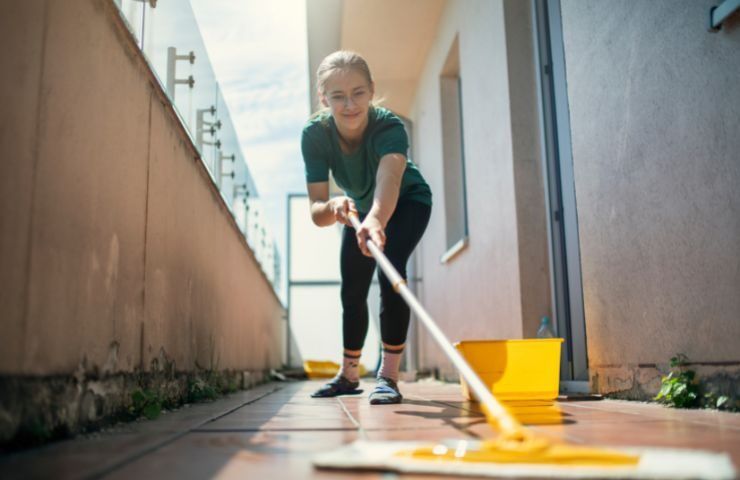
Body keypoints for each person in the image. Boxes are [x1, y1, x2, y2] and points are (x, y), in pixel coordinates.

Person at [300, 51, 432, 405]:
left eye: (358, 92)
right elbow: (316, 210)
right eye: (337, 96)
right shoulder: (315, 135)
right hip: (357, 209)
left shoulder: (388, 126)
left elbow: (389, 180)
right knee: (352, 290)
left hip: (406, 203)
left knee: (391, 272)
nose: (349, 105)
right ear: (322, 97)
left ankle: (388, 376)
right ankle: (349, 375)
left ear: (372, 90)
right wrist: (333, 206)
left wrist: (376, 219)